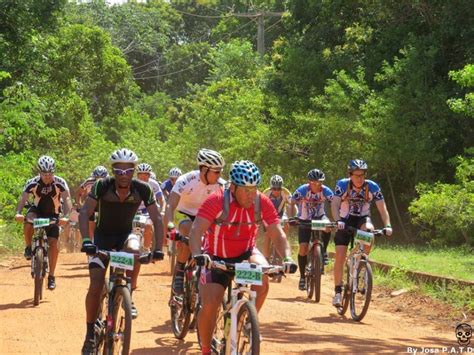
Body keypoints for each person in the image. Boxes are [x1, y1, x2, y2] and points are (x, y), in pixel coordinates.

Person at [189, 160, 297, 355]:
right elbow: (196, 231)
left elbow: (277, 233)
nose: (251, 195)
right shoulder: (216, 200)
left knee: (263, 280)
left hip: (246, 254)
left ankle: (246, 320)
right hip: (215, 257)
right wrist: (199, 255)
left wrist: (287, 258)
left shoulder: (261, 202)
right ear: (233, 186)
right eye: (246, 190)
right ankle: (205, 349)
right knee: (211, 303)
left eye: (254, 189)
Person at [79, 148, 164, 354]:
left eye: (128, 171)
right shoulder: (102, 186)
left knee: (135, 250)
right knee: (96, 284)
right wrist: (87, 240)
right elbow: (85, 213)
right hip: (102, 239)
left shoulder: (143, 189)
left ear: (134, 171)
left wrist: (158, 249)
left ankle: (127, 292)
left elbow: (157, 219)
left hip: (126, 236)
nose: (123, 175)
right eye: (119, 170)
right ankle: (90, 334)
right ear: (113, 171)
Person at [163, 149, 225, 295]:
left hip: (204, 217)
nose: (219, 175)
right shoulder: (186, 180)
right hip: (182, 213)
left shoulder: (221, 185)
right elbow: (170, 205)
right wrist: (170, 225)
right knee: (190, 231)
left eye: (220, 171)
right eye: (216, 172)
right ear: (204, 170)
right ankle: (179, 269)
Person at [331, 159, 392, 307]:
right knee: (339, 255)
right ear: (350, 175)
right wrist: (338, 220)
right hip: (345, 219)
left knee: (369, 230)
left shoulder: (372, 187)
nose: (359, 178)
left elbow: (382, 208)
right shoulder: (342, 184)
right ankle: (338, 292)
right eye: (356, 175)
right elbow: (334, 204)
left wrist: (388, 225)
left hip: (362, 219)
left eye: (362, 175)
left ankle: (361, 261)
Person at [14, 155, 71, 290]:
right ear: (39, 172)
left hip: (54, 213)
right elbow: (23, 199)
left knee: (53, 244)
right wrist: (18, 213)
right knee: (28, 220)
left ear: (54, 171)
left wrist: (67, 216)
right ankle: (28, 247)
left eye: (50, 173)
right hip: (37, 211)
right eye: (44, 174)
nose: (47, 176)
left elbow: (67, 199)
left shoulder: (60, 182)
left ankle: (51, 276)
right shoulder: (32, 182)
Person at [291, 168, 334, 291]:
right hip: (305, 219)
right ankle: (302, 277)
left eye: (319, 182)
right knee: (303, 248)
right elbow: (292, 202)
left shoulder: (326, 191)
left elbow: (335, 202)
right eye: (314, 182)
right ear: (309, 182)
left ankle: (324, 252)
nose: (317, 185)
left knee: (328, 226)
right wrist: (293, 216)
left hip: (320, 217)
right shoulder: (302, 190)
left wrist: (338, 217)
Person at [261, 175, 295, 259]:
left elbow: (292, 204)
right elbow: (260, 207)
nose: (276, 191)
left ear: (281, 187)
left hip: (281, 214)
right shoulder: (265, 193)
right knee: (268, 234)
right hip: (268, 215)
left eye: (278, 188)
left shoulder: (286, 192)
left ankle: (283, 242)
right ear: (271, 188)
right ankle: (266, 257)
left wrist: (295, 216)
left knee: (286, 223)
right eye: (274, 188)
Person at [75, 166, 108, 239]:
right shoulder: (88, 182)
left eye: (102, 178)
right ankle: (90, 242)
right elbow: (78, 193)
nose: (99, 180)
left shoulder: (109, 183)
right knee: (90, 224)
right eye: (96, 178)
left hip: (104, 206)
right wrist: (79, 204)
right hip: (92, 205)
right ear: (93, 177)